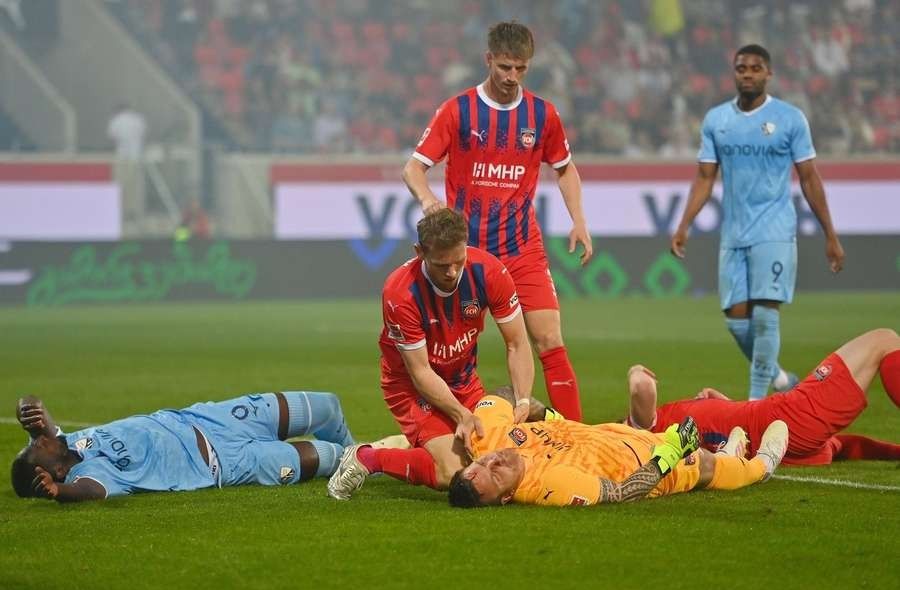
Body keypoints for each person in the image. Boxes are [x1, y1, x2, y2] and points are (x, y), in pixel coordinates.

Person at [402, 21, 591, 421]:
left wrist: (579, 220)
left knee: (549, 339)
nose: (512, 76)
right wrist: (429, 200)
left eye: (521, 68)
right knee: (446, 354)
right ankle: (441, 430)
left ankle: (577, 436)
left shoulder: (542, 114)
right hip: (466, 256)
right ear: (488, 59)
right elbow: (413, 169)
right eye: (505, 67)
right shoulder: (458, 110)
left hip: (522, 249)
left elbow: (565, 168)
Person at [670, 44, 845, 400]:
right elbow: (705, 177)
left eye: (755, 68)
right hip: (734, 233)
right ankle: (780, 378)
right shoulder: (717, 120)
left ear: (768, 73)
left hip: (775, 230)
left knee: (765, 315)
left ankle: (756, 403)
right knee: (736, 321)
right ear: (734, 73)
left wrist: (830, 234)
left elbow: (809, 178)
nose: (748, 74)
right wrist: (684, 224)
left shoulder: (790, 118)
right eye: (741, 68)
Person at [327, 208, 534, 500]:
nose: (452, 272)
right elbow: (421, 372)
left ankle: (412, 443)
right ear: (420, 252)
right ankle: (366, 457)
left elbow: (517, 343)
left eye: (459, 261)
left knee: (502, 456)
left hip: (463, 380)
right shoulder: (400, 293)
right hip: (411, 387)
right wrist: (461, 414)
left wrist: (523, 399)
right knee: (456, 472)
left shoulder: (490, 272)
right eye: (441, 265)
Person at [11, 389, 363, 502]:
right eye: (35, 447)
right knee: (333, 457)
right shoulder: (91, 473)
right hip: (230, 463)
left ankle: (363, 460)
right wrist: (60, 493)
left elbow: (38, 414)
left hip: (213, 418)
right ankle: (365, 461)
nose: (38, 439)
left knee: (327, 406)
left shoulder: (68, 442)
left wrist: (28, 407)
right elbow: (90, 492)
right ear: (57, 472)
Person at [626, 328, 900, 466]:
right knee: (884, 339)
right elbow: (642, 388)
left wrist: (722, 404)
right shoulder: (646, 429)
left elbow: (846, 447)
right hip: (784, 415)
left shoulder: (679, 437)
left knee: (834, 444)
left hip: (783, 436)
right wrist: (635, 370)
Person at [446, 398, 788, 508]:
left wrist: (530, 405)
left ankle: (730, 451)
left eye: (484, 463)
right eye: (496, 475)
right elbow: (623, 493)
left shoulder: (487, 439)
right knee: (708, 465)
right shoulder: (552, 486)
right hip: (652, 463)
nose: (495, 461)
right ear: (507, 497)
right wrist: (670, 454)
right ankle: (763, 463)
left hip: (617, 434)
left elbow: (502, 394)